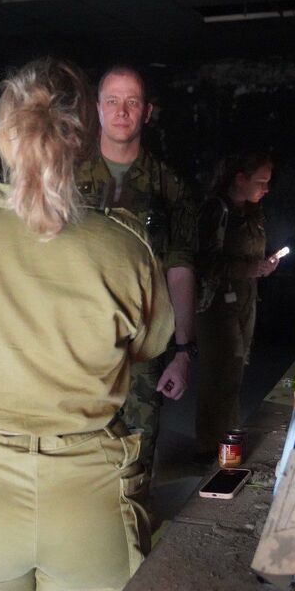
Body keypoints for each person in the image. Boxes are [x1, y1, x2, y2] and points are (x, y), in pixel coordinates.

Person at [0, 57, 174, 591]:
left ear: (1, 136)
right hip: (90, 496)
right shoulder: (124, 246)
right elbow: (148, 344)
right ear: (85, 138)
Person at [76, 65, 198, 479]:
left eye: (132, 102)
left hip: (142, 345)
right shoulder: (64, 177)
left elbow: (180, 268)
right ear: (97, 108)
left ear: (147, 112)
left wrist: (182, 352)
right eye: (112, 101)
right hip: (74, 345)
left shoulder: (171, 187)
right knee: (74, 463)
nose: (122, 111)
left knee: (136, 466)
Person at [194, 152, 279, 462]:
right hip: (219, 303)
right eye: (261, 181)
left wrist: (264, 265)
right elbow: (207, 262)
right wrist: (250, 268)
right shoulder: (217, 211)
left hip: (245, 299)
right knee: (220, 373)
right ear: (240, 179)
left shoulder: (251, 214)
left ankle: (227, 442)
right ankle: (211, 448)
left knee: (234, 372)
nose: (266, 189)